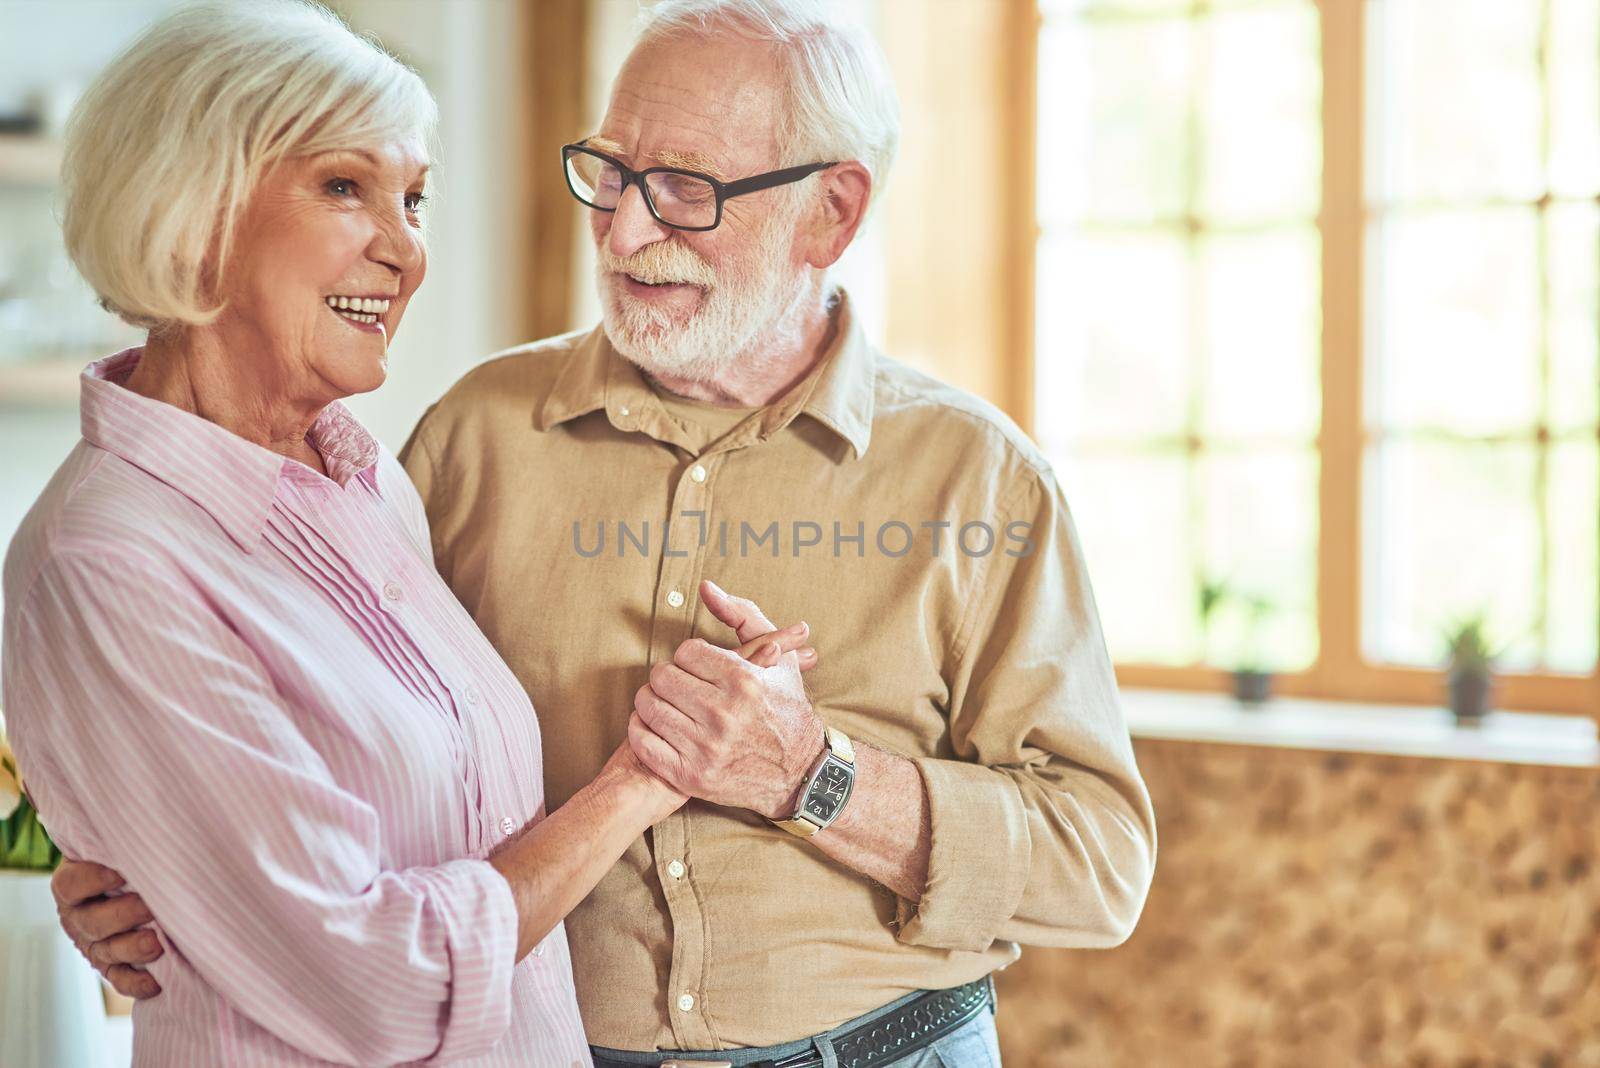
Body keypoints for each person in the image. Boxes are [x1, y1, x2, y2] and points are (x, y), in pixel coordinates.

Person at [60, 0, 1160, 1065]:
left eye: (684, 188)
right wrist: (171, 883)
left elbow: (1098, 865)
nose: (627, 230)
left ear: (832, 212)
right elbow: (319, 745)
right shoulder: (470, 441)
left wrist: (812, 776)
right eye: (612, 172)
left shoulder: (979, 478)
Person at [1, 3, 816, 1065]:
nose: (405, 250)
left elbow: (392, 823)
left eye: (415, 199)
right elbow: (374, 986)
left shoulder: (363, 481)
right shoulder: (104, 562)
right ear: (192, 209)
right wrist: (651, 776)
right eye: (345, 187)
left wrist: (183, 873)